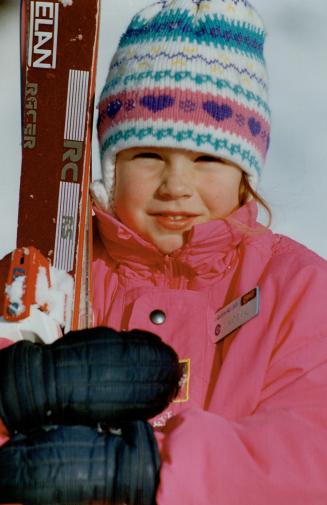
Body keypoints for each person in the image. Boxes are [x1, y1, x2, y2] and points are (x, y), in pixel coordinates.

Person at [1, 0, 327, 503]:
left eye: (206, 158)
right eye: (148, 155)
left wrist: (151, 471)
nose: (177, 185)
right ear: (112, 166)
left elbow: (310, 452)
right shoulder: (56, 274)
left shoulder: (298, 290)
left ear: (246, 172)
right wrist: (13, 391)